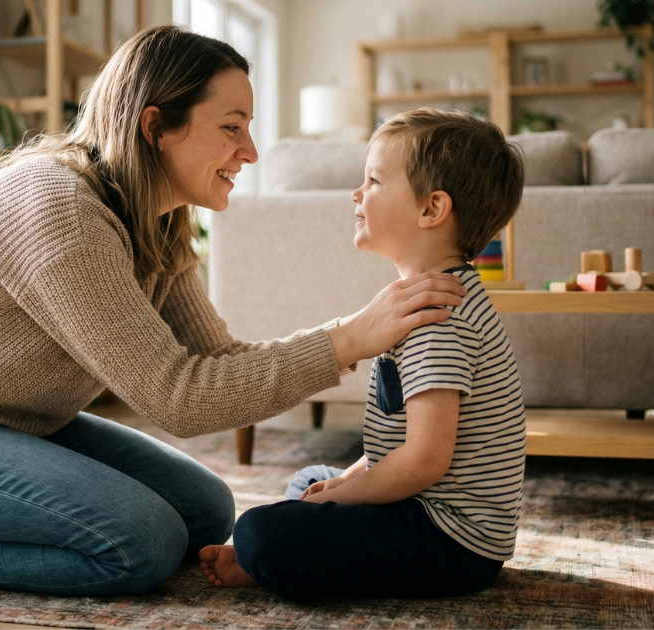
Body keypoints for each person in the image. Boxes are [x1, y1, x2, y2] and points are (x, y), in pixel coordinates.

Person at [0, 26, 467, 597]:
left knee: (205, 512)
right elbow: (179, 400)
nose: (251, 152)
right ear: (155, 127)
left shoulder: (156, 220)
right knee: (142, 544)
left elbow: (215, 361)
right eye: (231, 127)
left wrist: (347, 337)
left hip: (3, 418)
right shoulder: (61, 209)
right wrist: (348, 338)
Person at [199, 107, 527, 600]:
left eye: (373, 181)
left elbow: (424, 461)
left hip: (451, 540)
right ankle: (290, 548)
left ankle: (270, 561)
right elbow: (393, 449)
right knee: (315, 479)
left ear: (432, 209)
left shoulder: (439, 318)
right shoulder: (425, 299)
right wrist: (345, 483)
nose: (356, 194)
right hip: (426, 510)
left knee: (259, 533)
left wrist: (344, 496)